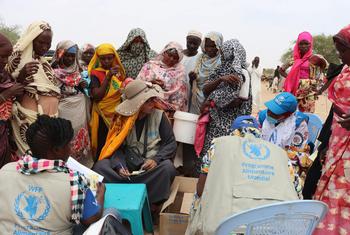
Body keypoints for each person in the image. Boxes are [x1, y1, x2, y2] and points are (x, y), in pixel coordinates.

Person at [186, 116, 298, 235]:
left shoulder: (219, 145)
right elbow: (296, 190)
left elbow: (200, 189)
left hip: (226, 227)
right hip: (274, 227)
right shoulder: (280, 153)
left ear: (233, 132)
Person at [0, 115, 106, 234]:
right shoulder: (74, 181)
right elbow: (91, 219)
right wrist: (100, 194)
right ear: (57, 150)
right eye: (69, 145)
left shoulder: (5, 171)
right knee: (110, 213)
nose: (71, 149)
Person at [93, 80, 177, 207]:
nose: (152, 104)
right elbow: (116, 147)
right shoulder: (122, 120)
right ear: (138, 104)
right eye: (147, 101)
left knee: (167, 168)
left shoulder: (159, 116)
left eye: (152, 100)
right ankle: (119, 199)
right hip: (128, 166)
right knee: (100, 167)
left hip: (149, 169)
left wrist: (156, 159)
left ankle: (149, 205)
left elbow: (170, 143)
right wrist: (119, 166)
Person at [313, 25, 350, 235]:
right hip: (337, 139)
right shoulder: (345, 69)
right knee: (332, 190)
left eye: (343, 49)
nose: (339, 54)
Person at [7, 21, 61, 156]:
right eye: (40, 42)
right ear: (31, 40)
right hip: (28, 120)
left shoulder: (45, 64)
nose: (44, 47)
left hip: (49, 122)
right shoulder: (17, 62)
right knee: (31, 158)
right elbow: (11, 94)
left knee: (46, 159)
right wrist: (22, 75)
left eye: (48, 43)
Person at [199, 39, 252, 168]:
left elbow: (237, 101)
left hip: (231, 125)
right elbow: (205, 89)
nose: (221, 55)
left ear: (232, 53)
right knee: (209, 157)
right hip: (214, 123)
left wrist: (212, 101)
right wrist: (220, 80)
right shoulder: (220, 70)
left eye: (224, 52)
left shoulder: (242, 74)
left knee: (225, 159)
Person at [259, 92, 311, 197]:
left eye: (275, 112)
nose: (269, 113)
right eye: (270, 109)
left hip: (285, 162)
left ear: (287, 115)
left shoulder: (298, 124)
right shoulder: (263, 116)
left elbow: (297, 154)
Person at [52, 40, 93, 167]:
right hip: (63, 112)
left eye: (72, 56)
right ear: (60, 54)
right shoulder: (51, 73)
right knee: (66, 139)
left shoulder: (79, 71)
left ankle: (83, 168)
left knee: (80, 137)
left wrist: (82, 86)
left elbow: (84, 91)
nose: (70, 58)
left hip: (79, 112)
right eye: (67, 55)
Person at [88, 43, 126, 160]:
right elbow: (97, 96)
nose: (107, 61)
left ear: (114, 57)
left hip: (116, 114)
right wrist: (108, 76)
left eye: (110, 58)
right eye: (103, 58)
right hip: (101, 114)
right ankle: (100, 167)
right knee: (102, 142)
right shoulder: (95, 74)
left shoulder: (119, 73)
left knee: (114, 142)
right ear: (98, 59)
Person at [137, 41, 188, 114]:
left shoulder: (180, 72)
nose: (171, 59)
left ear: (178, 60)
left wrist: (164, 87)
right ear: (164, 52)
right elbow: (138, 84)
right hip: (144, 104)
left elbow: (180, 96)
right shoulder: (150, 66)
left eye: (175, 58)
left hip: (167, 110)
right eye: (170, 55)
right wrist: (151, 83)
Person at [282, 31, 327, 113]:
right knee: (292, 117)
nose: (303, 46)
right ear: (297, 45)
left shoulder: (316, 58)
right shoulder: (295, 59)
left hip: (309, 94)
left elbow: (331, 72)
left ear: (311, 44)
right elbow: (281, 70)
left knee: (307, 118)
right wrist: (291, 79)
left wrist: (320, 90)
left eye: (306, 43)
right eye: (301, 44)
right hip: (294, 92)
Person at [0, 33, 25, 168]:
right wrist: (8, 93)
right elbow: (9, 93)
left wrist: (21, 79)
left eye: (7, 57)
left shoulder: (4, 74)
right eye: (2, 56)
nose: (5, 61)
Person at [189, 32, 223, 115]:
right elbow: (193, 82)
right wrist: (192, 78)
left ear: (219, 46)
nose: (210, 49)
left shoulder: (222, 61)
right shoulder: (199, 58)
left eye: (213, 46)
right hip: (196, 97)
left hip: (211, 101)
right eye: (207, 46)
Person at [182, 30, 202, 110]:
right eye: (190, 43)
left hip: (190, 91)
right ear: (186, 40)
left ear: (200, 44)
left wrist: (194, 78)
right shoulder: (179, 55)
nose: (192, 46)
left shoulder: (200, 58)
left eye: (195, 44)